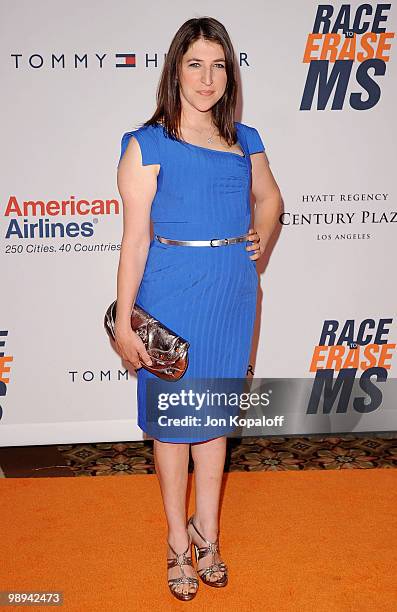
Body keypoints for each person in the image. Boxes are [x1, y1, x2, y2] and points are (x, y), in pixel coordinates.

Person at [115, 16, 281, 601]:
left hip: (233, 293)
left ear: (229, 72)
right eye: (195, 64)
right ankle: (175, 543)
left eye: (218, 65)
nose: (207, 78)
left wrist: (260, 233)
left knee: (213, 424)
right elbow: (134, 240)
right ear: (175, 70)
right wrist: (124, 317)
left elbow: (271, 199)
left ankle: (208, 535)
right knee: (173, 427)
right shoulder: (147, 144)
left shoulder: (245, 139)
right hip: (173, 294)